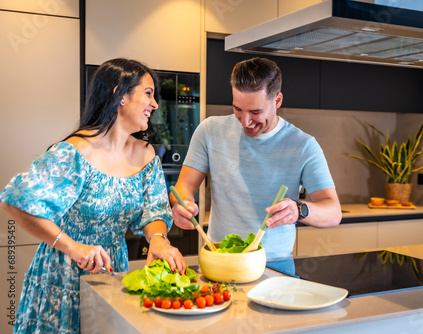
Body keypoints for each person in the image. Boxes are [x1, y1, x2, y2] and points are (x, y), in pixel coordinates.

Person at [0, 58, 186, 333]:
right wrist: (73, 247)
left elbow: (155, 211)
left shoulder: (147, 155)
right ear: (120, 94)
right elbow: (15, 201)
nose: (155, 104)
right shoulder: (73, 152)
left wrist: (158, 239)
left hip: (112, 273)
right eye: (148, 93)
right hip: (62, 276)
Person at [171, 57, 342, 259]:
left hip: (276, 267)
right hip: (221, 258)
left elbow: (333, 212)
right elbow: (184, 187)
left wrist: (299, 210)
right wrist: (182, 205)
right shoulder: (210, 131)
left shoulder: (303, 145)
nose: (245, 121)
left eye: (255, 112)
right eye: (238, 109)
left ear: (277, 100)